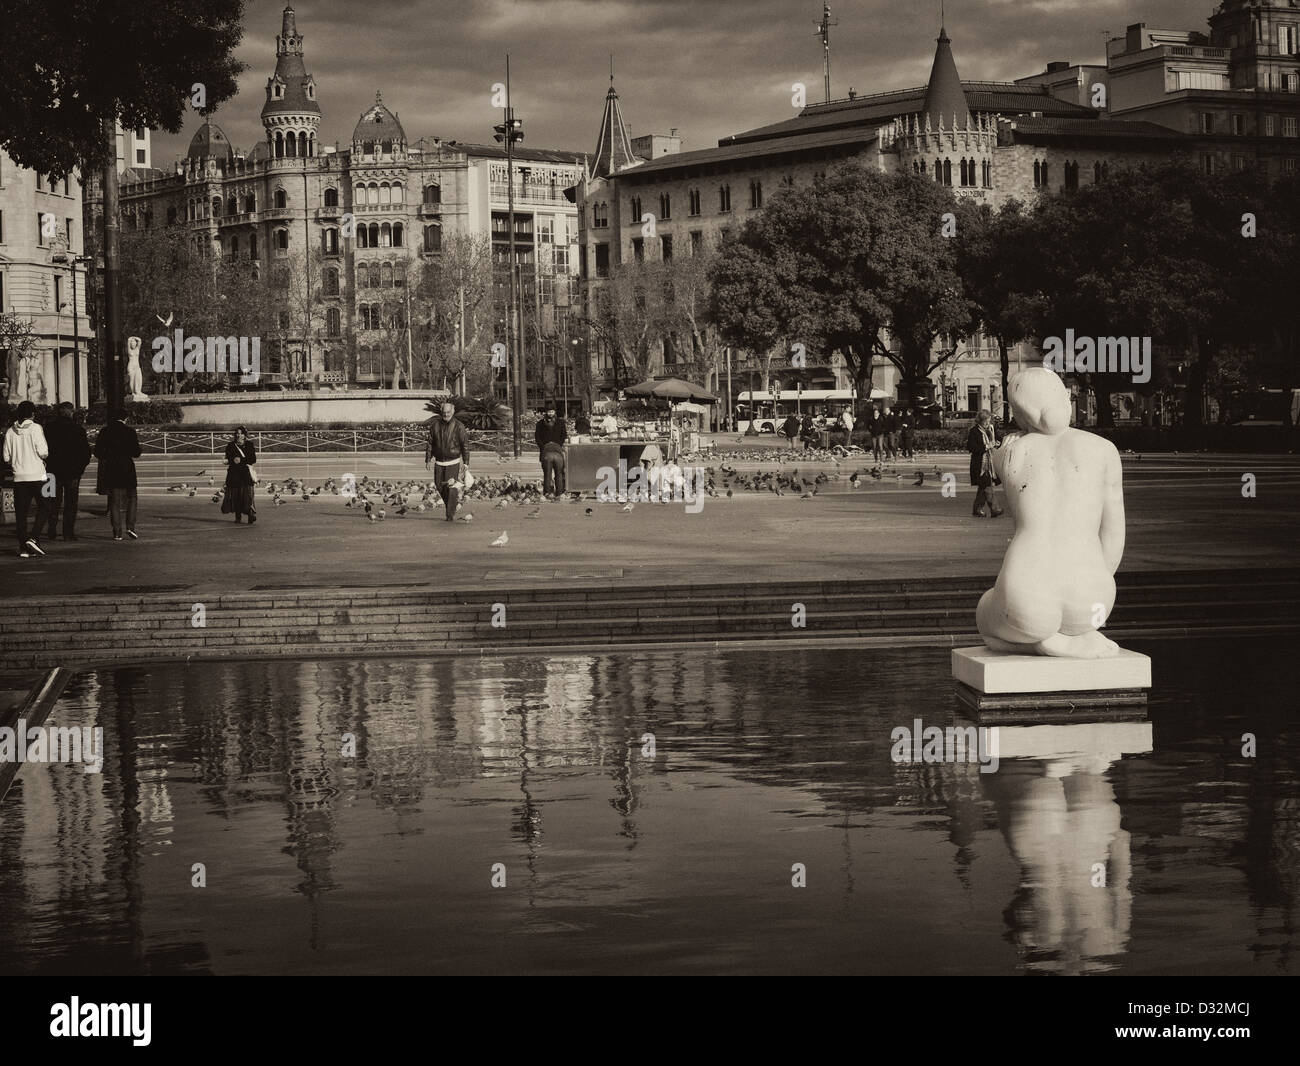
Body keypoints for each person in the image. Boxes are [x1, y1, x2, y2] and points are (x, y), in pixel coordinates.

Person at [3, 400, 51, 557]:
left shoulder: (10, 431)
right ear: (33, 414)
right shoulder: (36, 428)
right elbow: (43, 451)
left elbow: (6, 457)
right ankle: (34, 537)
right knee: (45, 506)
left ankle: (23, 547)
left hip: (19, 477)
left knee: (21, 513)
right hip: (39, 475)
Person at [44, 402, 91, 541]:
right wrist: (80, 469)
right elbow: (85, 453)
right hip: (72, 472)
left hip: (52, 472)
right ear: (71, 412)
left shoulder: (49, 429)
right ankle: (68, 532)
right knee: (71, 503)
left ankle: (51, 529)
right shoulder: (78, 429)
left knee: (52, 502)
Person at [95, 407, 142, 541]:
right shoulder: (130, 431)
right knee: (132, 498)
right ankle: (130, 526)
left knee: (114, 501)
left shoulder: (105, 431)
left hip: (112, 467)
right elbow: (136, 452)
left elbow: (98, 452)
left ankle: (117, 532)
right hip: (127, 467)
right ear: (125, 418)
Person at [425, 401, 470, 521]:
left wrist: (466, 462)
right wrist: (428, 459)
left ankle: (449, 515)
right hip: (439, 462)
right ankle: (452, 505)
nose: (446, 414)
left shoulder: (459, 426)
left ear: (453, 411)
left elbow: (465, 445)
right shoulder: (435, 425)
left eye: (448, 412)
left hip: (453, 462)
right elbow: (430, 443)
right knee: (439, 486)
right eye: (444, 412)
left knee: (451, 488)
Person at [967, 409, 1003, 518]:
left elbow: (999, 439)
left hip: (991, 462)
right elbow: (971, 447)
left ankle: (977, 509)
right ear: (980, 421)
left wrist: (998, 443)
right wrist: (987, 446)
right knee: (987, 485)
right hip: (980, 464)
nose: (988, 423)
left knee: (983, 486)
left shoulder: (991, 429)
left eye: (989, 421)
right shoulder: (974, 431)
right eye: (985, 421)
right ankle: (995, 509)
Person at [222, 426, 258, 524]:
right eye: (237, 433)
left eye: (241, 433)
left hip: (246, 474)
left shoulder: (249, 445)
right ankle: (238, 517)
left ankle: (251, 514)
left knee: (248, 496)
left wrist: (240, 460)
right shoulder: (230, 445)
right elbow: (228, 458)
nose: (239, 435)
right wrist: (230, 460)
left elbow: (253, 459)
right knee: (235, 496)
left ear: (245, 435)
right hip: (234, 474)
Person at [535, 404, 567, 496]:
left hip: (546, 451)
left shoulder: (540, 423)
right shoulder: (561, 422)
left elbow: (537, 437)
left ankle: (547, 492)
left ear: (554, 412)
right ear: (547, 412)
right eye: (549, 412)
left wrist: (543, 447)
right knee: (559, 474)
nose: (550, 413)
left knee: (547, 474)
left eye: (552, 412)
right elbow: (564, 436)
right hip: (557, 451)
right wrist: (559, 445)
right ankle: (559, 492)